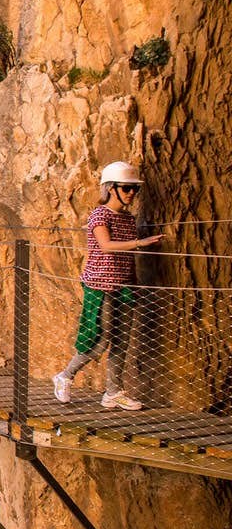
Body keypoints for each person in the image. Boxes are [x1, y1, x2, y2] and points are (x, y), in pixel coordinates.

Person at [52, 162, 159, 411]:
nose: (131, 193)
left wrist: (133, 282)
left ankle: (113, 392)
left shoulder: (128, 218)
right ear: (111, 188)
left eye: (135, 189)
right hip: (101, 285)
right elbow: (106, 245)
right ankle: (65, 375)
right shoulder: (100, 215)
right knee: (100, 338)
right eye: (126, 188)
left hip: (124, 285)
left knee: (122, 340)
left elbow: (125, 255)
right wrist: (140, 242)